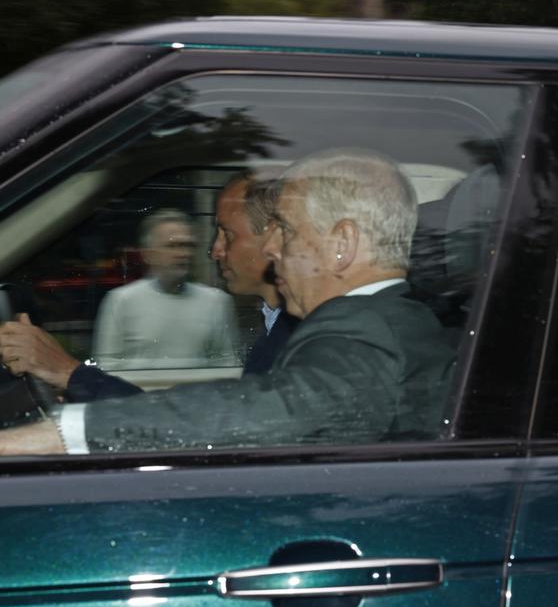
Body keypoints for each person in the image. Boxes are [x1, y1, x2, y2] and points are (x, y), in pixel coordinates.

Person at [0, 148, 455, 455]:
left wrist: (55, 436)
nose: (273, 248)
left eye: (287, 231)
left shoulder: (367, 332)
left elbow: (272, 411)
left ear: (342, 245)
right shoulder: (386, 319)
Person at [0, 172, 298, 401]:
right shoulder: (276, 328)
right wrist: (74, 380)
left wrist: (68, 372)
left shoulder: (297, 338)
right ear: (148, 254)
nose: (214, 251)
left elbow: (211, 428)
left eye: (228, 234)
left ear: (272, 239)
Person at [92, 209, 240, 371]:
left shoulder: (217, 302)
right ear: (148, 255)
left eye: (187, 245)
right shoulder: (121, 301)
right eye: (172, 246)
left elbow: (227, 366)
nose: (183, 254)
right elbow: (106, 368)